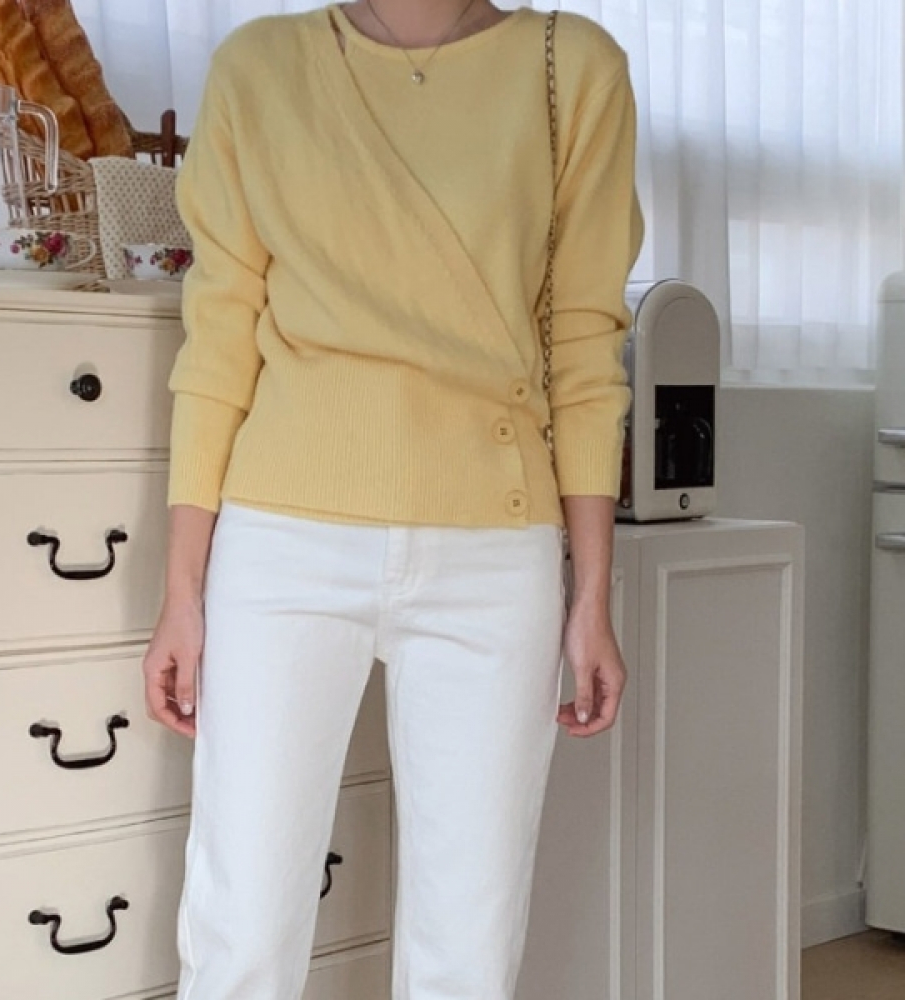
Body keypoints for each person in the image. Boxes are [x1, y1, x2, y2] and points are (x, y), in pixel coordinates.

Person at [142, 1, 644, 998]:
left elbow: (585, 346)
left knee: (469, 948)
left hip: (495, 549)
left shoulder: (573, 67)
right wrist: (182, 592)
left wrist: (591, 595)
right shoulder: (258, 69)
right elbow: (220, 337)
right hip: (282, 541)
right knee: (243, 931)